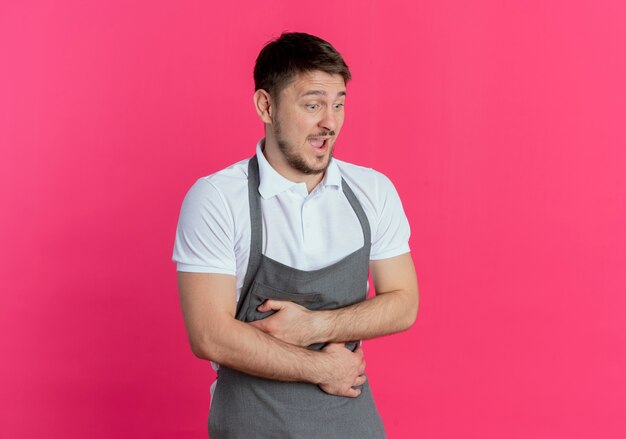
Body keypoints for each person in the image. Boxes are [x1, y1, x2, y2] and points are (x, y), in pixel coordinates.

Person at [173, 32, 418, 438]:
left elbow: (404, 303)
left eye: (339, 103)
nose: (331, 122)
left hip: (351, 423)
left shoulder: (373, 191)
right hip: (252, 424)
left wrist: (314, 327)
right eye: (313, 104)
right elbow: (209, 335)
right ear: (266, 106)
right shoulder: (217, 198)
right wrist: (323, 367)